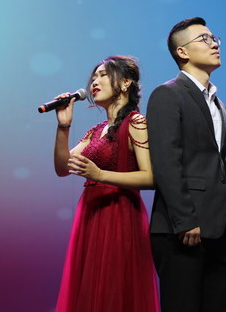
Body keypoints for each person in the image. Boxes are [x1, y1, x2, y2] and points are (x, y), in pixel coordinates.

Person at [147, 17, 226, 312]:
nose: (214, 44)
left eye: (214, 38)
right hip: (182, 227)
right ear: (182, 52)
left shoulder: (218, 103)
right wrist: (185, 220)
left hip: (217, 227)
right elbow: (166, 162)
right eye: (204, 39)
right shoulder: (168, 94)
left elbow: (211, 168)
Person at [53, 55, 160, 312]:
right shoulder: (96, 130)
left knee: (114, 289)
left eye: (103, 75)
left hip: (119, 215)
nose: (94, 82)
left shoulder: (136, 122)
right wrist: (64, 128)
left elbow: (151, 177)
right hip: (91, 214)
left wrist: (100, 175)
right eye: (94, 77)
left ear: (125, 82)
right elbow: (62, 168)